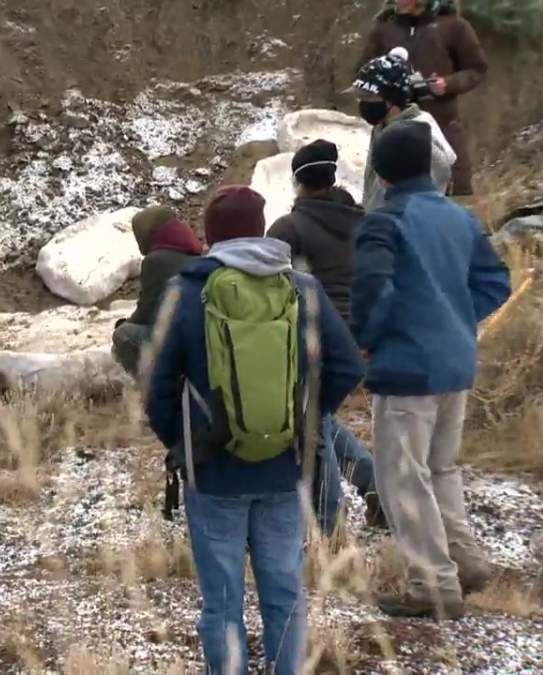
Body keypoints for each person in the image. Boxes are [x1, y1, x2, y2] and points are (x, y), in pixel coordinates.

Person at [147, 187, 365, 674]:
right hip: (285, 468)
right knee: (285, 595)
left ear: (210, 235)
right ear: (262, 227)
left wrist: (185, 445)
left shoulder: (186, 291)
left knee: (222, 603)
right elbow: (348, 365)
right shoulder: (303, 289)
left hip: (214, 472)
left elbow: (156, 386)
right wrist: (307, 423)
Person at [352, 122, 511, 619]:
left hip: (406, 366)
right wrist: (456, 317)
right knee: (440, 468)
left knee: (402, 476)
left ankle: (434, 585)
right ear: (427, 165)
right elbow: (496, 282)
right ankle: (465, 561)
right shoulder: (459, 219)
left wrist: (370, 341)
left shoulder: (383, 221)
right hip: (455, 360)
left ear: (379, 169)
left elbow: (372, 292)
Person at [267, 141, 384, 534]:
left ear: (298, 180)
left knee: (313, 425)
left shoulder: (289, 228)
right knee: (319, 416)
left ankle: (328, 525)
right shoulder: (364, 220)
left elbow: (268, 286)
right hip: (359, 337)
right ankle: (373, 488)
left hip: (312, 336)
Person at [358, 0, 488, 198]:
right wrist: (386, 89)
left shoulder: (454, 26)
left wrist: (448, 83)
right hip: (393, 127)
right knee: (389, 197)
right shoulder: (384, 27)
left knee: (455, 193)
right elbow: (362, 72)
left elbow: (476, 68)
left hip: (442, 124)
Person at [353, 48, 457, 211]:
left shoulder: (418, 134)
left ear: (391, 99)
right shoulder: (382, 126)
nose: (362, 103)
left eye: (368, 97)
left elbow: (439, 179)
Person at [112, 206, 203, 377]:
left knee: (123, 335)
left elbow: (147, 310)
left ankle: (145, 388)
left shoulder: (156, 260)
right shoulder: (194, 252)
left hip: (176, 337)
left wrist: (124, 324)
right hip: (198, 334)